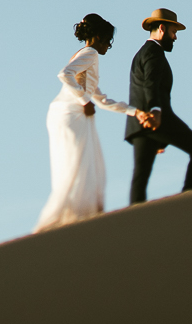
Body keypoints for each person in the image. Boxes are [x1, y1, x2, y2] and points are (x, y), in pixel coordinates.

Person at [33, 14, 160, 232]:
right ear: (99, 37)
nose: (109, 46)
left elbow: (101, 100)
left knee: (86, 165)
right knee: (77, 165)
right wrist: (83, 100)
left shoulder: (89, 57)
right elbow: (65, 74)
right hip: (70, 113)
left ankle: (77, 217)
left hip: (72, 114)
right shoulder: (90, 53)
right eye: (108, 40)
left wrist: (136, 112)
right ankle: (65, 220)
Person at [125, 7, 192, 203]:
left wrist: (159, 139)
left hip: (139, 125)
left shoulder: (141, 53)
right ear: (162, 28)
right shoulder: (154, 53)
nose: (175, 37)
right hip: (156, 119)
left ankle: (133, 222)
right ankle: (190, 199)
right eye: (174, 32)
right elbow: (150, 84)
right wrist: (155, 112)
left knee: (140, 177)